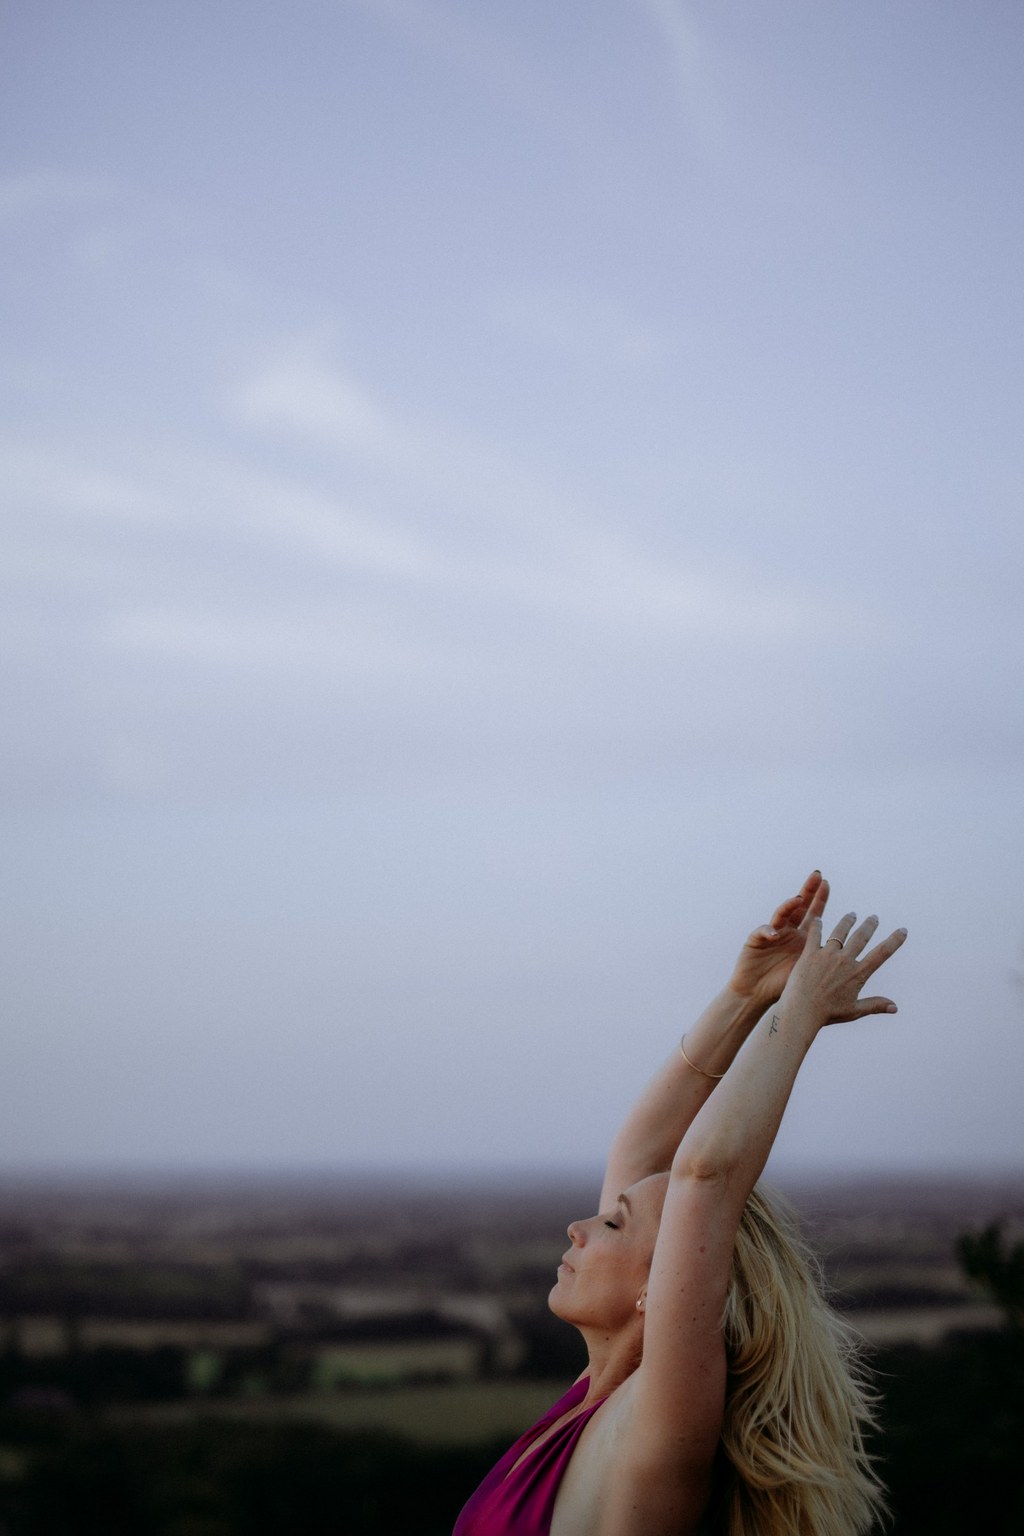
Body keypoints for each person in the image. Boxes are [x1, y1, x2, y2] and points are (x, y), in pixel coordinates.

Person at [452, 871, 906, 1536]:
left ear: (660, 1289)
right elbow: (642, 1155)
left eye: (612, 1223)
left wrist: (801, 1012)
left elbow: (705, 1178)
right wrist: (745, 995)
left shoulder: (652, 1427)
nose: (579, 1227)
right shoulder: (592, 1399)